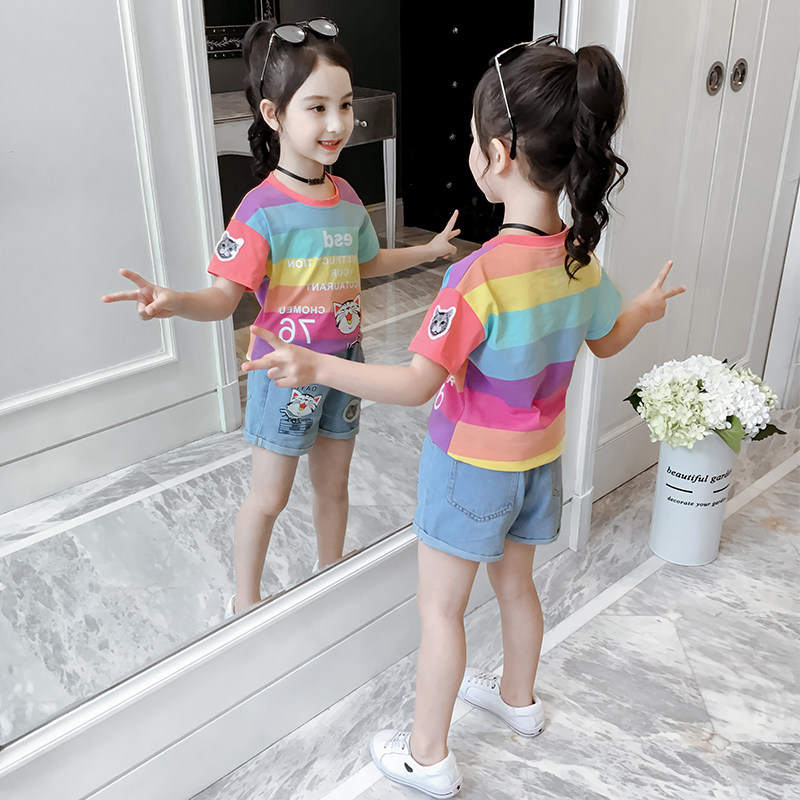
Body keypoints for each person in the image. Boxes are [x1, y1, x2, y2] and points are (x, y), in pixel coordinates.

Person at [242, 35, 686, 798]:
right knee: (517, 589)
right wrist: (642, 307)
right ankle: (519, 700)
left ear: (498, 155)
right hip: (538, 466)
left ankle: (427, 755)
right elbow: (609, 339)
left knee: (441, 612)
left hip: (469, 472)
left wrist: (316, 366)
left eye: (475, 141)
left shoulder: (478, 277)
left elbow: (417, 384)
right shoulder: (580, 260)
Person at [101, 17, 459, 618]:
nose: (336, 123)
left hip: (345, 365)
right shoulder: (259, 209)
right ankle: (245, 602)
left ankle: (329, 574)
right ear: (274, 114)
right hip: (285, 373)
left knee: (334, 485)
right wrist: (175, 300)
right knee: (269, 498)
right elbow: (223, 298)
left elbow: (367, 262)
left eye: (344, 105)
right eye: (316, 108)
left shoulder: (347, 198)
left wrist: (427, 251)